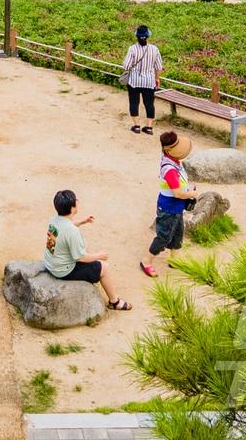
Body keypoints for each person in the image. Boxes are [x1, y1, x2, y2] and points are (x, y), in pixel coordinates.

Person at [43, 189, 131, 310]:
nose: (78, 202)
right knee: (103, 268)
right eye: (76, 201)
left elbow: (66, 226)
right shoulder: (72, 232)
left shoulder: (54, 219)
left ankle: (114, 300)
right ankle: (115, 302)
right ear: (72, 208)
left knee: (87, 254)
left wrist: (82, 221)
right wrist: (99, 255)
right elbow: (81, 257)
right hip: (63, 270)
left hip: (51, 263)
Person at [141, 131, 200, 277]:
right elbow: (177, 193)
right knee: (164, 236)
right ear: (169, 150)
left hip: (177, 207)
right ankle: (146, 261)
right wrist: (192, 194)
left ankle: (175, 260)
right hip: (169, 207)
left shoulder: (172, 160)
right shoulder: (170, 170)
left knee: (178, 233)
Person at [121, 24, 163, 135]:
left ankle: (136, 126)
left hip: (134, 81)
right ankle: (149, 128)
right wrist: (157, 78)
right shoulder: (154, 49)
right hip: (149, 81)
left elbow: (126, 66)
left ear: (137, 36)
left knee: (134, 102)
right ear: (148, 36)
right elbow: (158, 67)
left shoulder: (132, 49)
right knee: (149, 104)